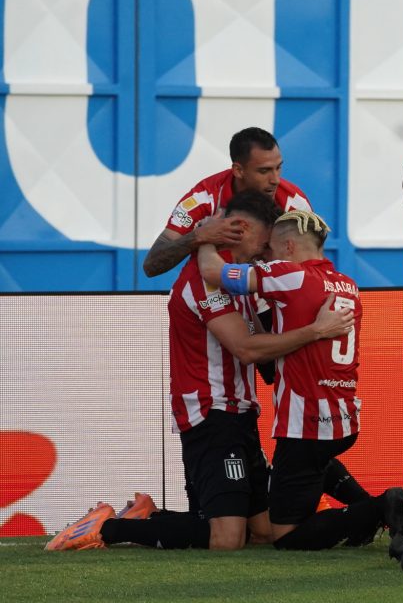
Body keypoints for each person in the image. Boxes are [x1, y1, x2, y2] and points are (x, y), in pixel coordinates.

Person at [46, 192, 350, 552]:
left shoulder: (241, 278)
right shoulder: (204, 279)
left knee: (265, 531)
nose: (267, 251)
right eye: (264, 241)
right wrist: (316, 332)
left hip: (240, 414)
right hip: (211, 414)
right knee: (227, 540)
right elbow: (246, 349)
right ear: (241, 230)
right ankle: (108, 528)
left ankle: (142, 517)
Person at [196, 209, 403, 551]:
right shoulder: (348, 285)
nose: (267, 258)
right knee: (316, 464)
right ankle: (379, 511)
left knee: (286, 535)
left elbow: (212, 272)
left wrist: (204, 236)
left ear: (289, 247)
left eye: (272, 250)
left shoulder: (289, 274)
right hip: (343, 418)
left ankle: (381, 507)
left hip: (305, 422)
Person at [142, 126, 311, 278]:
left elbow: (311, 270)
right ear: (238, 170)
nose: (275, 180)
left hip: (267, 297)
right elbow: (151, 266)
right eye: (264, 171)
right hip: (212, 296)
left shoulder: (294, 204)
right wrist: (200, 236)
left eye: (278, 167)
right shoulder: (204, 198)